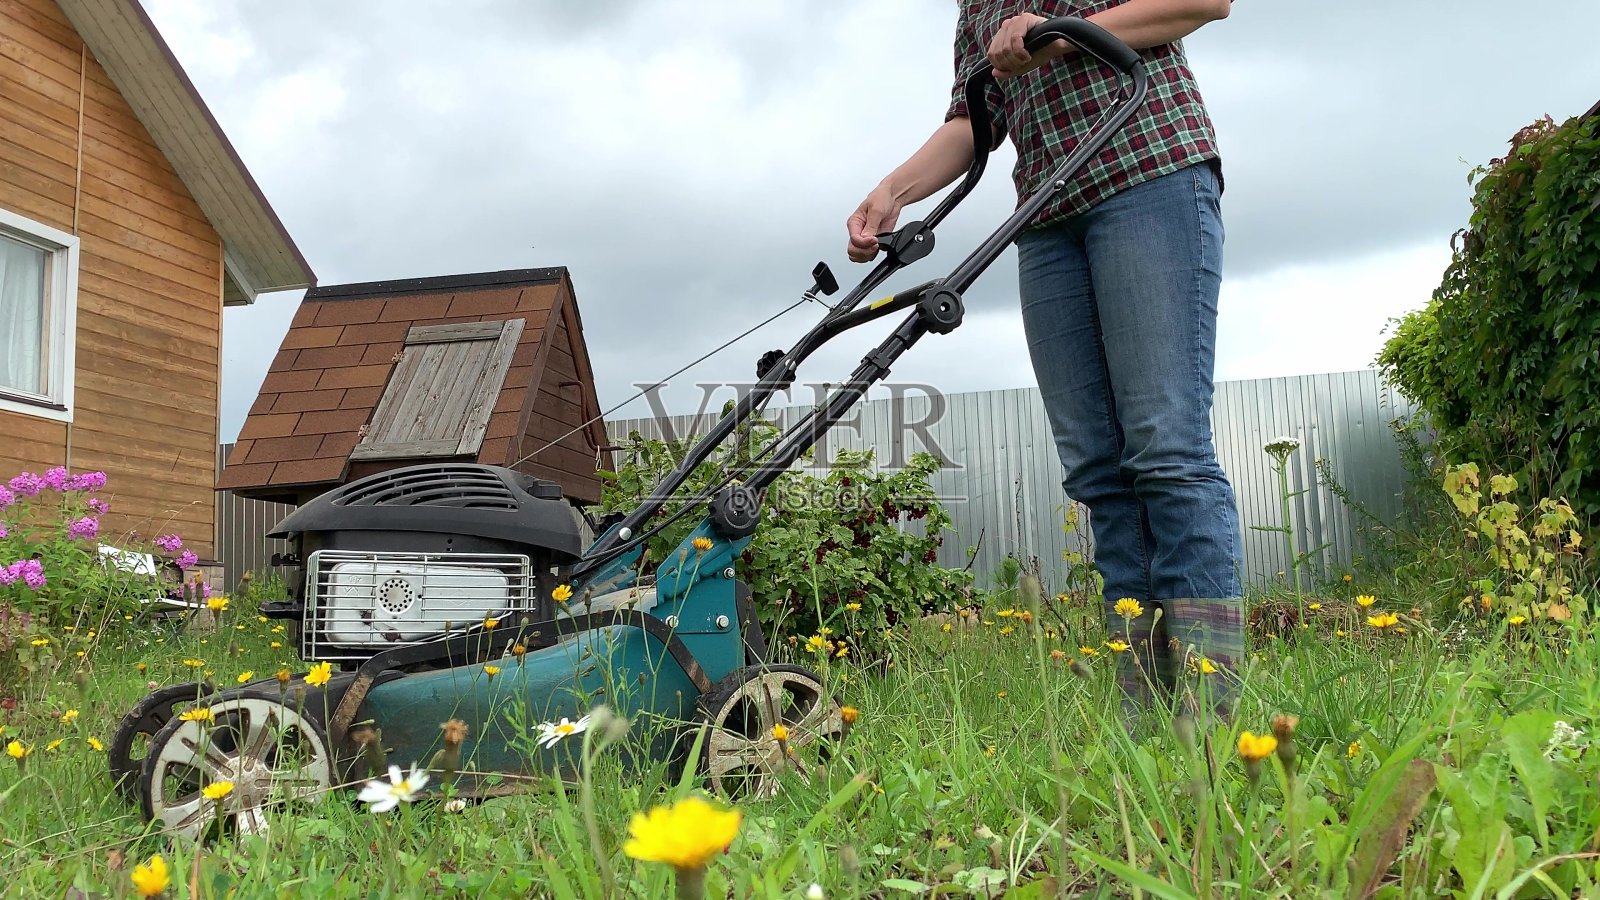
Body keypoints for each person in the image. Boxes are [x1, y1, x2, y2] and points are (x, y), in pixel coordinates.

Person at [846, 1, 1243, 727]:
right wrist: (891, 192)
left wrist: (1056, 35)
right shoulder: (978, 4)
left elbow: (1203, 1)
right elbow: (975, 118)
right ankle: (1145, 715)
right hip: (1048, 217)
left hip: (1147, 170)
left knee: (1165, 448)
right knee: (1098, 469)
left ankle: (1211, 712)